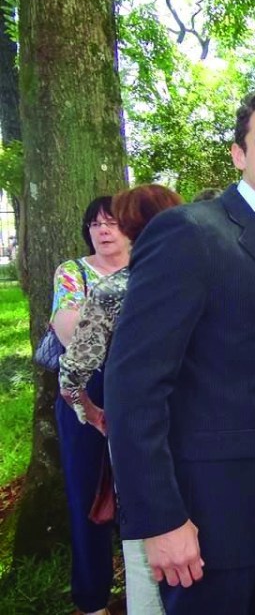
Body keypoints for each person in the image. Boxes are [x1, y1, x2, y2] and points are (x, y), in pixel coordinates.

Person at [104, 89, 255, 614]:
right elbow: (133, 384)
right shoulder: (189, 232)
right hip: (208, 518)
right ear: (239, 154)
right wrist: (160, 517)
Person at [59, 184, 184, 615]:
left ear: (129, 228)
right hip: (201, 428)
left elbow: (73, 374)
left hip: (135, 428)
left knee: (144, 528)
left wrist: (90, 411)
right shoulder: (210, 279)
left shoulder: (114, 291)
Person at [52, 196, 130, 615]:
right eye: (95, 224)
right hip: (85, 391)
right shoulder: (73, 272)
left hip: (142, 395)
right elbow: (70, 332)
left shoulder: (152, 266)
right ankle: (93, 599)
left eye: (111, 222)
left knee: (144, 493)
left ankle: (148, 593)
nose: (102, 230)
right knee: (87, 497)